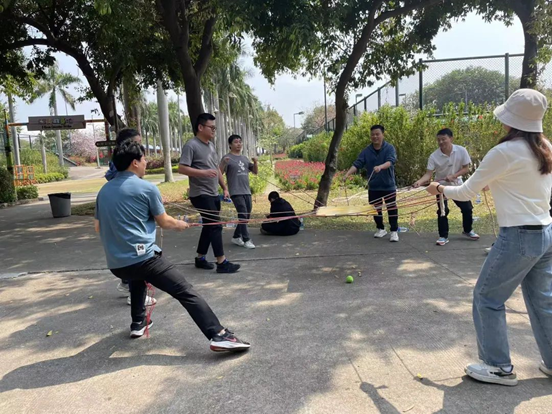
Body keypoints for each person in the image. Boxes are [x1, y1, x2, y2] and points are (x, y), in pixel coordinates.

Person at [425, 89, 552, 386]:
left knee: (487, 297)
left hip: (518, 236)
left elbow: (465, 192)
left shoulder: (504, 151)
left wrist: (439, 189)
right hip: (545, 232)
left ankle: (498, 366)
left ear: (511, 120)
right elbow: (526, 184)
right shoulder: (545, 146)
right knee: (543, 301)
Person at [95, 140, 250, 351]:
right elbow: (165, 222)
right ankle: (218, 334)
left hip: (117, 265)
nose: (146, 162)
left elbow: (98, 227)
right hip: (144, 260)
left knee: (136, 276)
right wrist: (181, 224)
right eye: (143, 158)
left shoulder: (104, 191)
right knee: (185, 290)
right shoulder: (147, 188)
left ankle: (138, 322)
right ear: (134, 162)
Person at [179, 113, 240, 273]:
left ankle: (200, 258)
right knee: (215, 226)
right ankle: (222, 262)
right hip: (200, 194)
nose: (214, 130)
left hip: (213, 193)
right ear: (200, 127)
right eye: (211, 127)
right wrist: (203, 173)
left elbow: (216, 169)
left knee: (208, 226)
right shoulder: (191, 145)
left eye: (215, 128)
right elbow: (182, 168)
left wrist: (224, 188)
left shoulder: (211, 146)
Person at [103, 128, 155, 307]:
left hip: (122, 216)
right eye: (136, 142)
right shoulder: (120, 170)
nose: (140, 146)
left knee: (132, 252)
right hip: (125, 215)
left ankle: (129, 286)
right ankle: (134, 295)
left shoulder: (119, 165)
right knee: (136, 254)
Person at [413, 128, 480, 246]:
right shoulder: (434, 156)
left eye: (444, 139)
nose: (441, 142)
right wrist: (419, 182)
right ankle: (443, 236)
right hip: (440, 188)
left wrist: (454, 176)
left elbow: (466, 168)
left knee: (467, 208)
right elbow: (428, 174)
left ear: (451, 138)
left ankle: (468, 230)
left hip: (457, 185)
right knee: (443, 211)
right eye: (438, 140)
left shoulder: (461, 150)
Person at [343, 125, 399, 242]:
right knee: (375, 208)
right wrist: (347, 174)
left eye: (377, 134)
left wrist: (380, 167)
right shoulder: (367, 151)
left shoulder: (389, 148)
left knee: (392, 208)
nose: (375, 136)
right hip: (374, 186)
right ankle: (380, 229)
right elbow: (358, 163)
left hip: (388, 185)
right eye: (373, 134)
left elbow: (391, 161)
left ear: (383, 135)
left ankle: (394, 231)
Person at [219, 134, 258, 249]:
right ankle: (246, 239)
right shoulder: (226, 158)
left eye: (240, 142)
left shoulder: (244, 158)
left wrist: (255, 162)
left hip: (246, 191)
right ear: (230, 145)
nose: (239, 144)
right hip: (236, 191)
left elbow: (255, 172)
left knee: (246, 215)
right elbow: (219, 173)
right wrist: (223, 163)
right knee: (243, 213)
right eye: (236, 142)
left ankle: (236, 237)